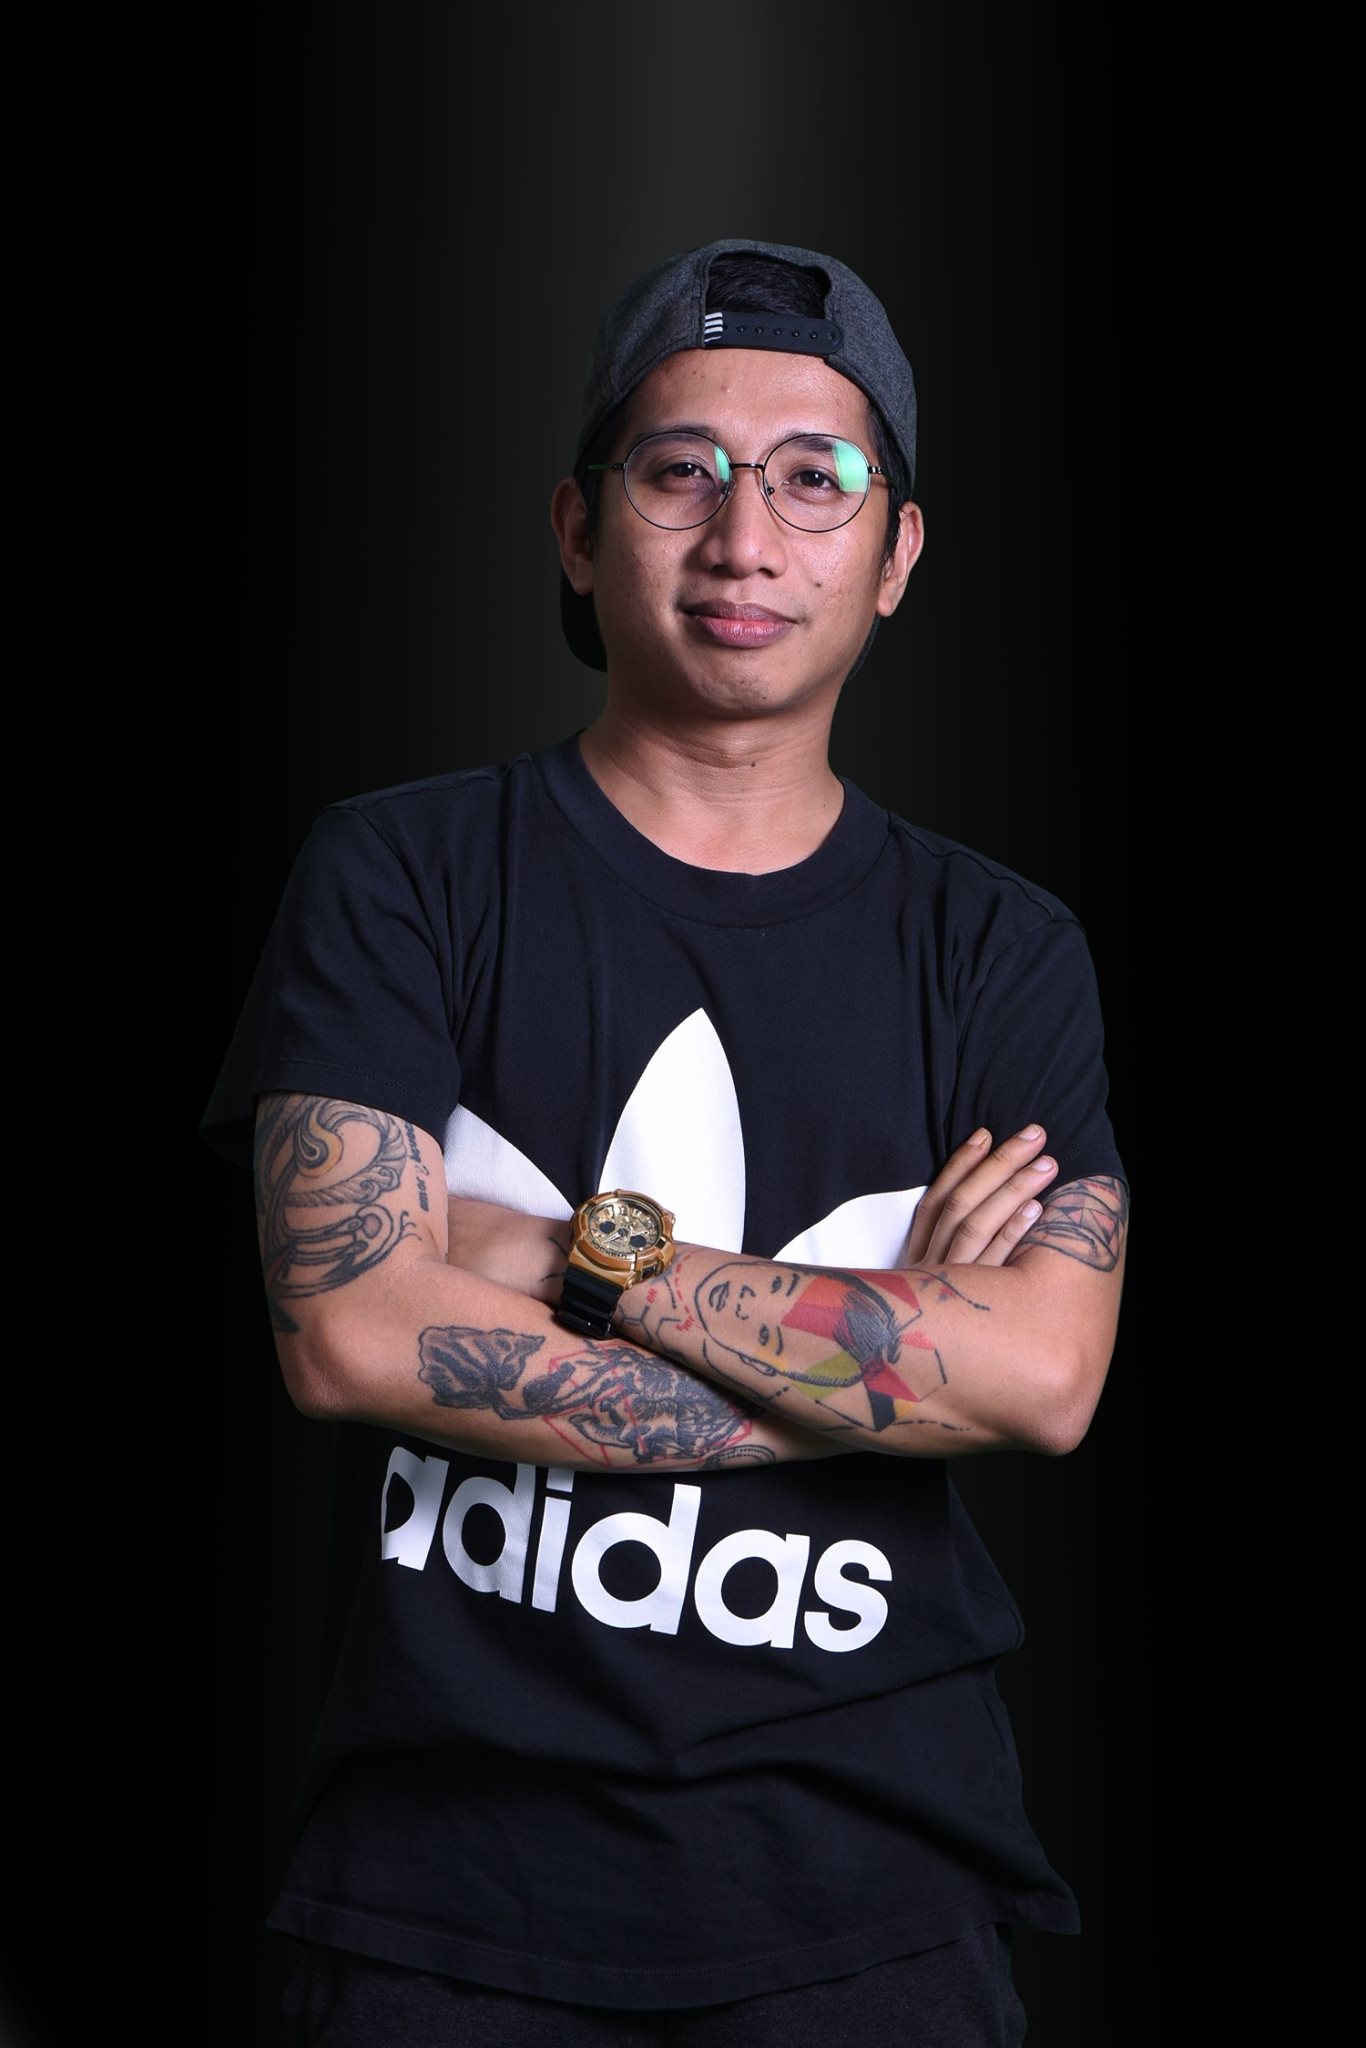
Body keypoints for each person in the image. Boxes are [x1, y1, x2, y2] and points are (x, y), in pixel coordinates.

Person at [201, 236, 1129, 2047]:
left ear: (895, 555)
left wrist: (568, 1255)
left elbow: (1040, 1377)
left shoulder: (999, 949)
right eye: (678, 471)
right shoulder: (400, 873)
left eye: (813, 477)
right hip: (448, 1901)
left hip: (874, 1904)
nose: (742, 537)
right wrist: (877, 1349)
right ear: (576, 529)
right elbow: (351, 1333)